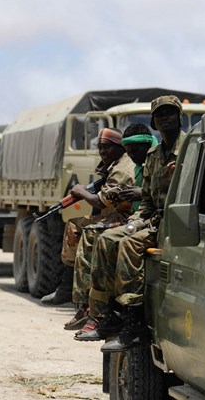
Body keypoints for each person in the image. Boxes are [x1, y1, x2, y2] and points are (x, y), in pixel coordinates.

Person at [85, 95, 185, 352]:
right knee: (107, 239)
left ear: (179, 117)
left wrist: (136, 229)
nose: (165, 118)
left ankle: (134, 322)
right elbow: (149, 200)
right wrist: (133, 222)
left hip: (179, 220)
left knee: (129, 244)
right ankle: (107, 313)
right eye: (160, 115)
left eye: (170, 113)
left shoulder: (189, 149)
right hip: (153, 219)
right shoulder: (153, 155)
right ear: (154, 122)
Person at [70, 123, 156, 340]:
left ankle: (118, 314)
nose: (132, 154)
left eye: (107, 147)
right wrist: (135, 222)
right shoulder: (138, 164)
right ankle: (96, 308)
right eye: (129, 149)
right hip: (141, 217)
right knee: (96, 234)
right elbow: (143, 206)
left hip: (155, 220)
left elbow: (158, 198)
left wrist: (140, 201)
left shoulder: (149, 163)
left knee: (102, 237)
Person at [40, 128, 136, 305]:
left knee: (77, 228)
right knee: (78, 225)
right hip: (119, 215)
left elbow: (100, 203)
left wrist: (80, 191)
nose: (102, 151)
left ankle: (73, 292)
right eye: (100, 147)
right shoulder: (116, 164)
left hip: (126, 218)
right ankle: (70, 289)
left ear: (120, 147)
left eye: (107, 147)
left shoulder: (121, 169)